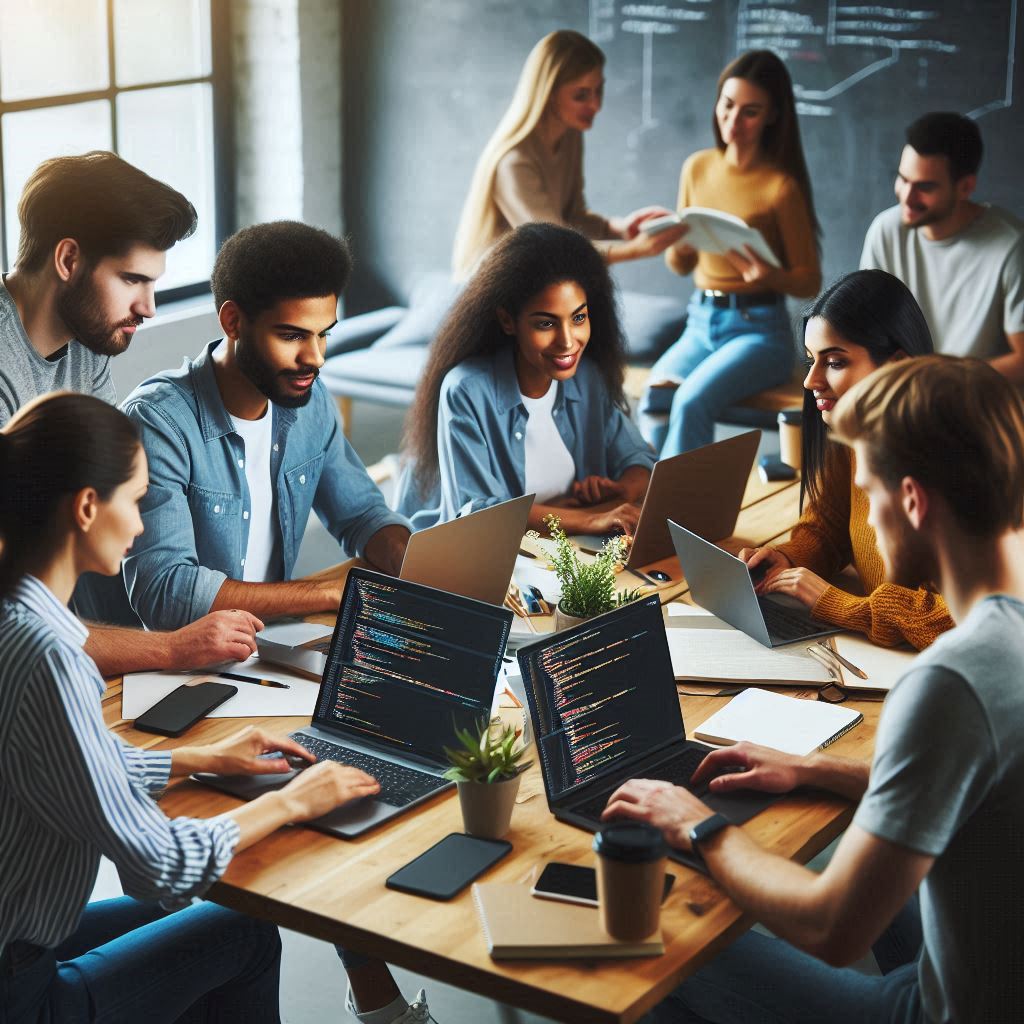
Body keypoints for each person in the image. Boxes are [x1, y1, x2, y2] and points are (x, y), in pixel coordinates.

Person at [605, 355, 1024, 1022]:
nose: (870, 520)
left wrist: (700, 826)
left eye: (870, 494)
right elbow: (983, 784)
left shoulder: (952, 679)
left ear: (912, 501)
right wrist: (815, 769)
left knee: (646, 934)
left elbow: (833, 928)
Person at [0, 391, 383, 1023]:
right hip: (21, 992)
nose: (143, 525)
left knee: (216, 928)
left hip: (22, 944)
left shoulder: (16, 616)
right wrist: (292, 801)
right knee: (245, 932)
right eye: (136, 500)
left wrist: (197, 757)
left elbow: (68, 764)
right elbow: (160, 866)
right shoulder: (53, 658)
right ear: (88, 508)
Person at [0, 150, 263, 676]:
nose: (148, 307)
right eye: (131, 279)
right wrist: (171, 650)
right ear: (68, 260)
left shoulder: (87, 349)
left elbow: (85, 529)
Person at [120, 222, 411, 631]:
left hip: (273, 642)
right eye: (292, 336)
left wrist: (410, 561)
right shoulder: (158, 423)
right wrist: (325, 592)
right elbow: (165, 592)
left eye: (322, 335)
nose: (315, 358)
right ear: (234, 322)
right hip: (184, 667)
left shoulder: (310, 401)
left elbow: (362, 513)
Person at [739, 270, 954, 649]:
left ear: (896, 363)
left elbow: (958, 616)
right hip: (881, 651)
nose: (810, 381)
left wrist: (837, 604)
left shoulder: (957, 462)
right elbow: (830, 525)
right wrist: (787, 561)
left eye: (835, 362)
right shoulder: (852, 430)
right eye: (810, 361)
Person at [397, 222, 655, 534]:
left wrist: (620, 492)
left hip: (564, 549)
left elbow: (639, 458)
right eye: (546, 324)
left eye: (578, 318)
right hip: (481, 555)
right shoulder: (466, 390)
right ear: (508, 320)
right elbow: (479, 515)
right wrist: (589, 521)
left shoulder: (587, 378)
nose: (568, 341)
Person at [639, 50, 822, 457]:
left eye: (750, 112)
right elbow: (681, 264)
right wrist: (681, 247)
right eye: (728, 105)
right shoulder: (697, 168)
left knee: (690, 401)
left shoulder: (780, 186)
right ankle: (647, 500)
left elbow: (810, 279)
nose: (733, 121)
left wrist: (769, 276)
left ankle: (673, 516)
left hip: (759, 331)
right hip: (701, 321)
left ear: (772, 117)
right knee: (654, 400)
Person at [451, 29, 686, 278]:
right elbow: (555, 249)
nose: (595, 105)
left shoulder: (571, 135)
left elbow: (571, 219)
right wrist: (634, 251)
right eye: (581, 95)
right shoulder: (514, 163)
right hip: (493, 295)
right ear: (549, 94)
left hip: (534, 284)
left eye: (599, 91)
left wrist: (620, 228)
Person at [861, 111, 1024, 385]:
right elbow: (865, 331)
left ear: (965, 187)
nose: (907, 197)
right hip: (904, 392)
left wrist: (939, 380)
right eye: (902, 179)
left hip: (978, 398)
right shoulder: (885, 230)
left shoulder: (1011, 245)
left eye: (924, 187)